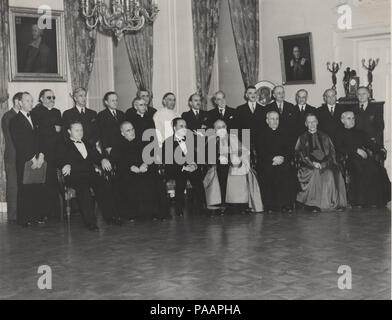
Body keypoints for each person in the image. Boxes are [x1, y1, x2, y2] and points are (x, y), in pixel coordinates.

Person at [58, 121, 121, 231]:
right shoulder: (64, 144)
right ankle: (90, 222)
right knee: (84, 189)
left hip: (89, 174)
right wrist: (65, 164)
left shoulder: (87, 143)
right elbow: (58, 158)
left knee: (103, 184)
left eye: (81, 130)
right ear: (69, 131)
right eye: (76, 130)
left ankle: (111, 217)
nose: (80, 132)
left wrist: (103, 159)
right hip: (74, 176)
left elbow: (96, 156)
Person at [110, 122, 169, 221]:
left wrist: (145, 164)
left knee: (155, 180)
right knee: (129, 182)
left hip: (145, 169)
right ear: (122, 133)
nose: (132, 132)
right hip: (128, 171)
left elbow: (151, 155)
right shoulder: (118, 145)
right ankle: (133, 214)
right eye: (128, 130)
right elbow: (116, 160)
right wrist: (130, 167)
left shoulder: (143, 141)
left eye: (132, 129)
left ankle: (155, 213)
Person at [203, 120, 263, 215]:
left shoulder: (233, 137)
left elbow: (243, 150)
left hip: (234, 164)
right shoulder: (211, 140)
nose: (222, 129)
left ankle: (240, 204)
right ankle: (223, 203)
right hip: (218, 166)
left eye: (223, 126)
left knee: (242, 172)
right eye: (218, 127)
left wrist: (238, 158)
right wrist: (219, 158)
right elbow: (207, 157)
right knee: (223, 172)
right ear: (214, 130)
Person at [336, 111, 390, 208]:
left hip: (364, 159)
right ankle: (362, 201)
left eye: (353, 118)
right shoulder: (338, 133)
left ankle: (378, 200)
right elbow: (339, 148)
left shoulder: (360, 132)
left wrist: (380, 148)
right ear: (342, 120)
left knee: (378, 169)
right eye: (349, 118)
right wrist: (355, 150)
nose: (352, 121)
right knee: (363, 169)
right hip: (349, 159)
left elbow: (370, 144)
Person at [295, 113, 347, 212]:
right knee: (315, 172)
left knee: (332, 173)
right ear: (305, 124)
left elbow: (332, 153)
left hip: (326, 164)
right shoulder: (302, 138)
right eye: (309, 122)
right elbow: (300, 154)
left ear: (317, 122)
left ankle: (334, 203)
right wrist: (312, 163)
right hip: (308, 166)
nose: (312, 124)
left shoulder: (325, 136)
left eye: (314, 121)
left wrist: (324, 164)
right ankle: (312, 204)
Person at [9, 92, 47, 227]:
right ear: (20, 103)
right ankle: (24, 218)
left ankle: (37, 216)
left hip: (39, 157)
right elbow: (19, 142)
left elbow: (41, 138)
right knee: (25, 188)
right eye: (27, 101)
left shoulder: (36, 117)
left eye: (31, 101)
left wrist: (41, 155)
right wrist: (32, 158)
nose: (30, 103)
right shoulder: (14, 121)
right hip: (25, 159)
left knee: (37, 187)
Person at [161, 118, 205, 216]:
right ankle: (179, 209)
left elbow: (199, 156)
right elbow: (169, 162)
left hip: (192, 167)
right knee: (181, 179)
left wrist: (195, 165)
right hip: (177, 169)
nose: (184, 128)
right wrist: (184, 167)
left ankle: (200, 207)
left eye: (185, 126)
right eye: (181, 126)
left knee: (198, 179)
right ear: (174, 127)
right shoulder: (168, 142)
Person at [31, 89, 62, 219]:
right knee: (44, 183)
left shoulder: (57, 112)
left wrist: (50, 129)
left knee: (54, 182)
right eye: (49, 98)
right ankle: (43, 213)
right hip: (43, 151)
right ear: (41, 99)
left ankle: (55, 212)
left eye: (53, 97)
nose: (52, 100)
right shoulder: (36, 112)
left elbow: (60, 129)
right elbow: (38, 131)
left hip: (55, 151)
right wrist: (52, 128)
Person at [255, 111, 295, 213]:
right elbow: (260, 150)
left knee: (286, 171)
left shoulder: (285, 132)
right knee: (268, 171)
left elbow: (290, 149)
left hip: (283, 161)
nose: (275, 121)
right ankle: (269, 205)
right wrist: (272, 159)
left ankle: (285, 204)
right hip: (267, 161)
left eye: (277, 119)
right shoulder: (261, 133)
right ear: (267, 120)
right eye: (272, 119)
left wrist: (282, 158)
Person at [1, 92, 22, 223]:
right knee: (13, 185)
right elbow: (10, 139)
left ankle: (22, 212)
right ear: (16, 102)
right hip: (12, 155)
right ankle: (13, 215)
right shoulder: (8, 116)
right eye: (24, 101)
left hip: (21, 155)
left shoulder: (22, 116)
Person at [267, 86, 297, 150]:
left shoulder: (291, 106)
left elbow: (294, 125)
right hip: (273, 140)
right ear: (274, 95)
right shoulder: (268, 107)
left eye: (283, 92)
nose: (281, 95)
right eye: (279, 93)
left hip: (288, 141)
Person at [97, 91, 126, 156]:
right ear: (106, 102)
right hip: (110, 148)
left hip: (122, 147)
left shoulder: (121, 114)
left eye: (116, 100)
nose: (115, 102)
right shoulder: (101, 115)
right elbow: (101, 133)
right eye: (113, 100)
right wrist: (107, 147)